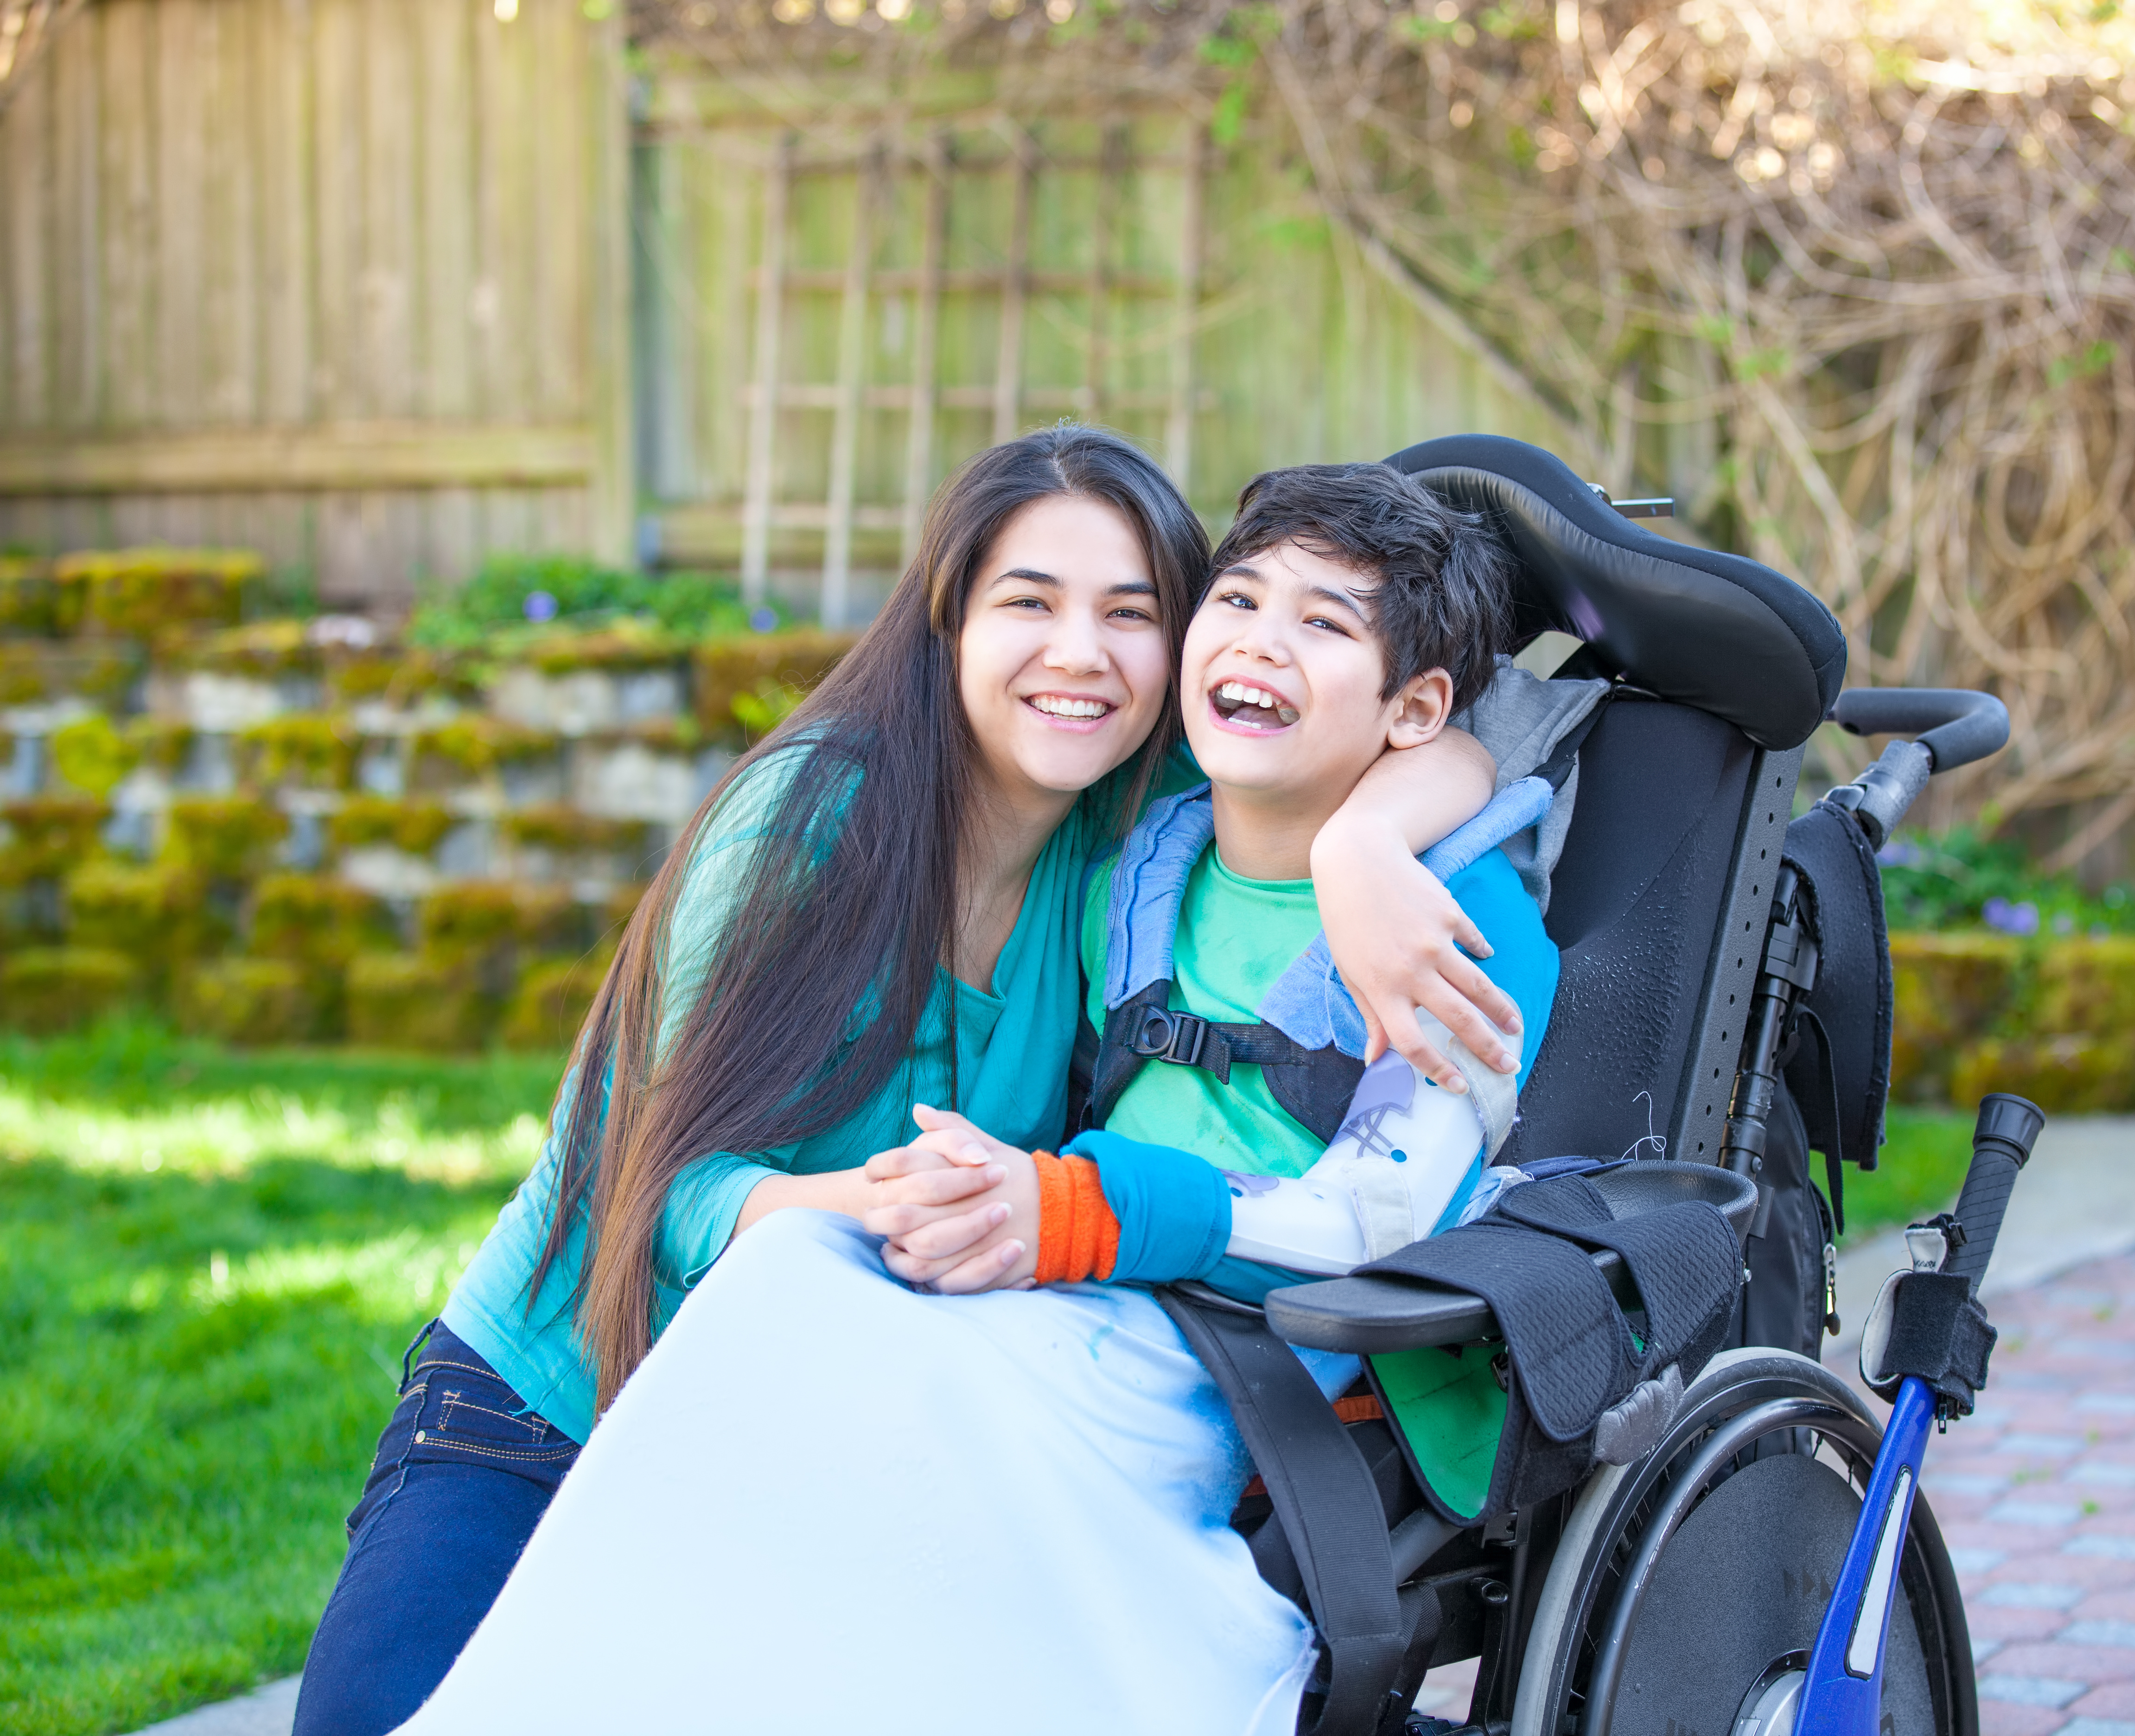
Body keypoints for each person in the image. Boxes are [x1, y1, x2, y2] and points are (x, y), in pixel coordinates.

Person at [291, 429, 1523, 1736]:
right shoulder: (807, 822)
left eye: (1131, 614)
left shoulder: (1142, 828)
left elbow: (1455, 740)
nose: (1080, 657)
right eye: (1028, 605)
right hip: (552, 1404)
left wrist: (1365, 842)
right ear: (948, 622)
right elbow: (669, 1195)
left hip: (817, 1419)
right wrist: (911, 1208)